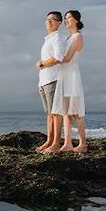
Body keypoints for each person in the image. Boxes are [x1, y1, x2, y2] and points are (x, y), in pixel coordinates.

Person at [50, 10, 87, 153]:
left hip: (72, 75)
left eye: (68, 18)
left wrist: (49, 62)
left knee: (76, 112)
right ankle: (68, 143)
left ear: (76, 20)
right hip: (63, 75)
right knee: (65, 111)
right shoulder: (66, 38)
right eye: (64, 18)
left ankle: (83, 144)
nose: (65, 20)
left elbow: (67, 58)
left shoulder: (78, 37)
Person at [36, 11, 66, 153]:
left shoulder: (58, 38)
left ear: (59, 23)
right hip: (44, 80)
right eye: (47, 19)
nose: (49, 21)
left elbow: (58, 58)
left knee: (56, 113)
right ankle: (49, 140)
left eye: (52, 19)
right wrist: (41, 64)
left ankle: (56, 144)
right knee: (49, 114)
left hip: (54, 79)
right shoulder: (48, 39)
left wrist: (42, 64)